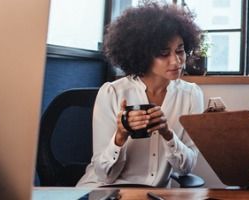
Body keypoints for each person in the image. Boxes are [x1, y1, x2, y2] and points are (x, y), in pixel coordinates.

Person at [77, 1, 204, 187]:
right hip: (104, 190)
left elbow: (185, 168)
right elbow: (103, 174)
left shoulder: (191, 95)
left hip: (153, 194)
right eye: (163, 53)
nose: (176, 61)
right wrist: (120, 136)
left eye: (180, 50)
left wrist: (168, 134)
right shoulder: (112, 93)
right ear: (142, 54)